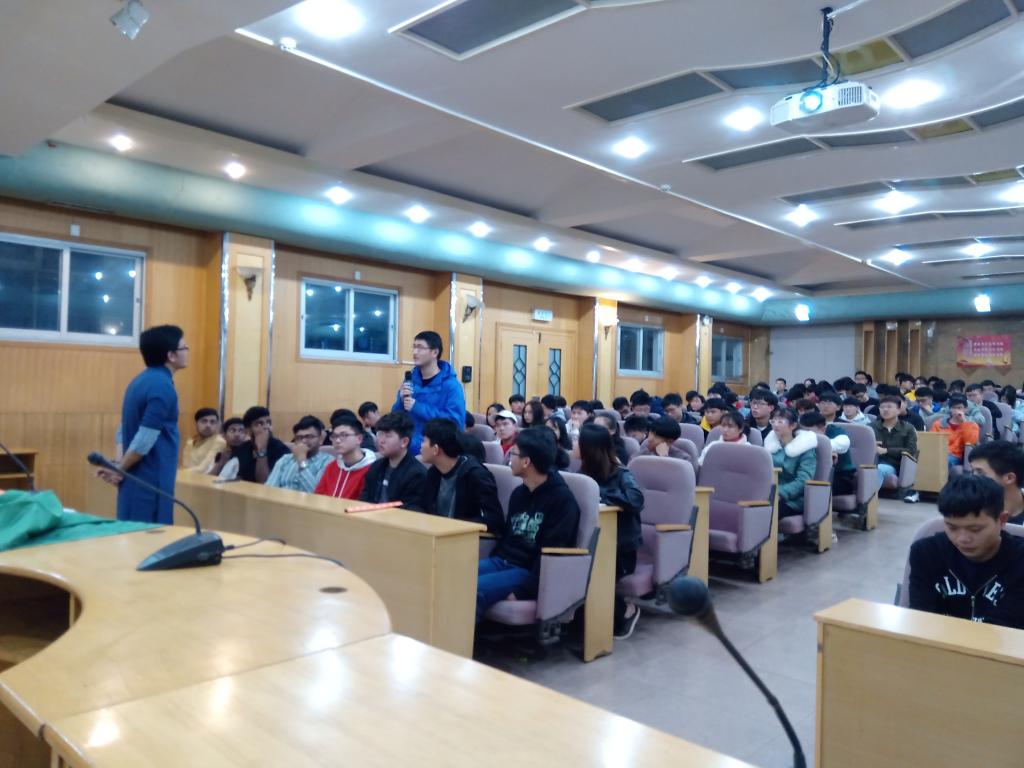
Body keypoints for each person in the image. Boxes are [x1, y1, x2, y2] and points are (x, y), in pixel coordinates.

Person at [476, 428, 581, 622]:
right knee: (453, 576)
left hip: (527, 570)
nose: (509, 459)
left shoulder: (562, 501)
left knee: (473, 589)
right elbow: (508, 535)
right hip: (502, 561)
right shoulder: (519, 493)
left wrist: (524, 591)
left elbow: (552, 555)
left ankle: (462, 640)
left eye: (514, 454)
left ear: (526, 462)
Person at [97, 325, 187, 524]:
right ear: (171, 355)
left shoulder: (139, 381)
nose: (187, 351)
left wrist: (119, 464)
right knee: (150, 538)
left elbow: (123, 428)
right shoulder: (162, 387)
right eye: (184, 347)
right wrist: (119, 468)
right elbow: (146, 437)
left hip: (133, 478)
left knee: (129, 534)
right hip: (151, 481)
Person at [908, 475, 1024, 628]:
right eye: (952, 527)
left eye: (975, 529)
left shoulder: (1020, 560)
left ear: (1002, 520)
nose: (962, 539)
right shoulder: (926, 553)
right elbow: (921, 619)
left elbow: (1009, 629)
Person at [578, 423, 645, 639]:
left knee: (594, 576)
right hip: (594, 541)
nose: (574, 445)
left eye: (579, 442)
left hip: (620, 548)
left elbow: (636, 500)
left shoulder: (621, 473)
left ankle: (627, 610)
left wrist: (602, 495)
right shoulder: (583, 472)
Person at [421, 418, 503, 534]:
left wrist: (457, 526)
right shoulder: (434, 472)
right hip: (436, 535)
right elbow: (424, 507)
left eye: (424, 441)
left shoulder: (475, 475)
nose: (421, 446)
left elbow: (494, 519)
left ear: (435, 449)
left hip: (463, 537)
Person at [393, 330, 466, 456]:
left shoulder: (451, 385)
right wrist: (400, 401)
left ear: (435, 352)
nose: (415, 352)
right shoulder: (410, 381)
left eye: (420, 348)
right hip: (407, 448)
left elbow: (455, 423)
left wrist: (417, 407)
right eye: (414, 347)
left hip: (435, 451)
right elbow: (395, 418)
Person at [360, 411, 427, 510]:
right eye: (380, 434)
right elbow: (365, 498)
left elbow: (411, 509)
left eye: (388, 435)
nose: (381, 440)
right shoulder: (376, 466)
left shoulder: (417, 474)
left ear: (404, 442)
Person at [764, 407, 817, 518]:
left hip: (794, 498)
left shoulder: (805, 448)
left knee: (764, 513)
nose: (775, 425)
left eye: (780, 421)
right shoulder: (770, 445)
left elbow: (803, 479)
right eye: (773, 421)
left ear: (793, 426)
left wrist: (780, 493)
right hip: (769, 492)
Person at [315, 414, 376, 500]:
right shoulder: (332, 466)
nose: (337, 440)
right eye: (334, 436)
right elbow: (318, 497)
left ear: (359, 439)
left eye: (344, 435)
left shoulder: (372, 469)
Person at [264, 415, 331, 492]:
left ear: (320, 439)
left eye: (309, 437)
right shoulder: (285, 460)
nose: (304, 441)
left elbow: (317, 493)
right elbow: (269, 488)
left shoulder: (327, 461)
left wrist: (302, 462)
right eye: (299, 438)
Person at [872, 395, 919, 502]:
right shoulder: (871, 427)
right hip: (871, 461)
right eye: (882, 407)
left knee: (877, 470)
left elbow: (911, 450)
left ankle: (868, 502)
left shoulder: (908, 428)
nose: (885, 410)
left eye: (889, 407)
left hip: (893, 464)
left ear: (898, 410)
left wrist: (887, 450)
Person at [800, 411, 856, 496]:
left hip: (841, 477)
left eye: (809, 432)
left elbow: (843, 443)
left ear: (823, 429)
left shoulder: (835, 431)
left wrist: (823, 448)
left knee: (803, 489)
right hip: (811, 475)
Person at [968, 441, 1024, 525]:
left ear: (1009, 478)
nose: (972, 478)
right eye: (972, 471)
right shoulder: (966, 509)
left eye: (980, 473)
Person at [230, 406, 290, 484]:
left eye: (268, 422)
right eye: (259, 424)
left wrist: (262, 449)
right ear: (248, 430)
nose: (266, 427)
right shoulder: (242, 448)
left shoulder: (280, 449)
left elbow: (264, 482)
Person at [930, 395, 980, 470]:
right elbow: (931, 442)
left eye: (959, 408)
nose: (956, 411)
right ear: (950, 409)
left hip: (958, 456)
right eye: (953, 408)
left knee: (945, 460)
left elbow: (970, 442)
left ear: (965, 409)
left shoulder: (972, 425)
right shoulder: (939, 424)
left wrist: (964, 422)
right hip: (939, 454)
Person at [181, 408, 225, 473]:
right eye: (204, 421)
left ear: (217, 425)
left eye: (212, 422)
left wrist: (180, 473)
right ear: (196, 424)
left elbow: (204, 469)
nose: (208, 425)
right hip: (187, 477)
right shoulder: (190, 442)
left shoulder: (219, 442)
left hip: (205, 478)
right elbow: (185, 466)